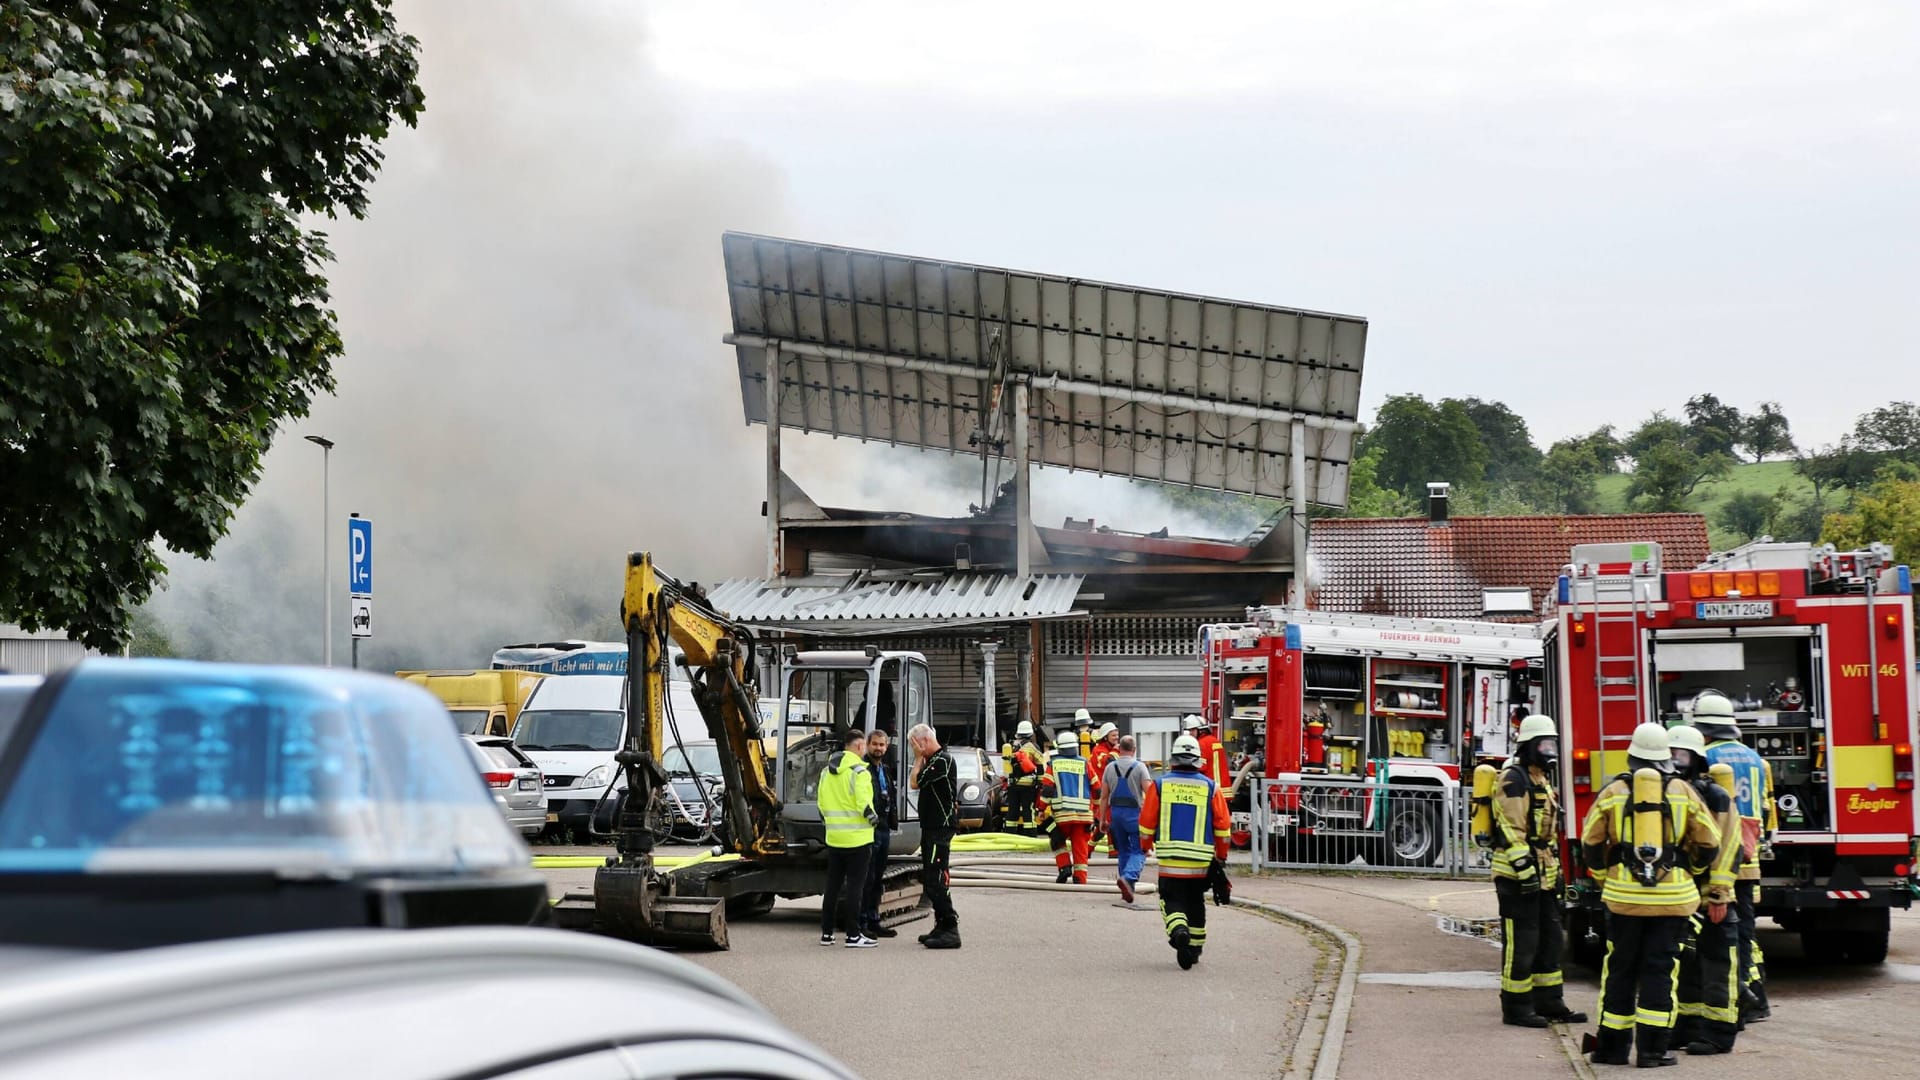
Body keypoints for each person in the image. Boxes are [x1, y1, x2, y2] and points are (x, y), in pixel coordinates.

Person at [1578, 723, 1720, 1067]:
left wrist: (1605, 877)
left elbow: (1590, 843)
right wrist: (1688, 870)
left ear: (1631, 756)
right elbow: (1710, 842)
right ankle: (1653, 1051)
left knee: (1620, 969)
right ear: (1665, 758)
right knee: (1660, 971)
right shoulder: (1683, 791)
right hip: (1673, 900)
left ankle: (1611, 1049)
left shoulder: (1613, 792)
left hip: (1624, 897)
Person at [1490, 714, 1587, 1028]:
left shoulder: (1540, 778)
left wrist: (1553, 875)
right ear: (1529, 747)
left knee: (1550, 940)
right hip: (1516, 876)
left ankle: (1550, 1003)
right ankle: (1516, 1007)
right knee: (1522, 941)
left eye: (1551, 743)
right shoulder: (1514, 778)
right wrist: (1524, 868)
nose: (1549, 750)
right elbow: (1510, 827)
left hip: (1541, 873)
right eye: (1543, 744)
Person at [1694, 691, 1775, 1024]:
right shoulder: (1758, 760)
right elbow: (1767, 810)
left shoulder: (1705, 760)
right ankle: (1756, 998)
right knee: (1745, 933)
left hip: (1721, 859)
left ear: (1703, 728)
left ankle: (1735, 997)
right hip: (1749, 859)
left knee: (1717, 935)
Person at [1668, 723, 1742, 1056]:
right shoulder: (1667, 793)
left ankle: (1719, 1033)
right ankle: (1688, 1027)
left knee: (1717, 965)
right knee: (1686, 963)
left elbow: (1729, 846)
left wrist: (1719, 894)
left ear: (1697, 759)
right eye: (1671, 754)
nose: (1677, 761)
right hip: (1681, 895)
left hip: (1711, 896)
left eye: (1683, 755)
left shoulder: (1715, 796)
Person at [1141, 734, 1231, 969]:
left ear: (1173, 760)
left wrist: (1145, 846)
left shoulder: (1160, 784)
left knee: (1171, 899)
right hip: (1200, 863)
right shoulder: (1211, 787)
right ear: (1197, 761)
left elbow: (1146, 822)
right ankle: (1194, 949)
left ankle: (1179, 930)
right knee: (1195, 903)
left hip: (1170, 860)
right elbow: (1223, 827)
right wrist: (1221, 856)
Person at [817, 728, 880, 949]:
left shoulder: (827, 772)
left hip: (834, 838)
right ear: (860, 746)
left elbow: (822, 804)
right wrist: (874, 819)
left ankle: (826, 933)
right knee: (855, 887)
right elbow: (864, 804)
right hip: (858, 840)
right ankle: (853, 935)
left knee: (832, 886)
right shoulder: (860, 772)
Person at [907, 723, 960, 949]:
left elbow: (914, 781)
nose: (914, 751)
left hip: (941, 826)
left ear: (924, 741)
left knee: (936, 878)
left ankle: (950, 927)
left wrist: (918, 759)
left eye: (915, 746)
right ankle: (940, 924)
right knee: (930, 876)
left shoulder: (942, 760)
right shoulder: (934, 761)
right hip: (931, 826)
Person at [1098, 735, 1150, 903]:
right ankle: (1128, 878)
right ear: (1134, 750)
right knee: (1139, 850)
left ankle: (1126, 888)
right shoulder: (1140, 767)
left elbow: (1104, 796)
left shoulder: (1109, 768)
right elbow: (1149, 794)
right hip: (1135, 815)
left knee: (1123, 850)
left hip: (1116, 815)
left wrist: (1102, 820)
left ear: (1119, 749)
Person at [858, 728, 899, 940]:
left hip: (884, 828)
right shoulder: (862, 769)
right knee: (868, 877)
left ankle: (874, 920)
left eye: (882, 745)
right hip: (869, 829)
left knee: (878, 878)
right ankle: (862, 922)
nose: (879, 748)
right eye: (875, 744)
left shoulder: (885, 769)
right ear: (867, 745)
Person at [1045, 729, 1094, 884]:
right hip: (1084, 816)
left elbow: (1047, 789)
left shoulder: (1053, 764)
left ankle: (1064, 866)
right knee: (1080, 847)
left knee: (1056, 840)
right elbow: (1097, 789)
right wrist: (1098, 812)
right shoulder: (1085, 763)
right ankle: (1080, 878)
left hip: (1062, 816)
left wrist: (1040, 808)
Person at [1007, 720, 1045, 835]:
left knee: (1012, 810)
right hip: (1028, 786)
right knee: (1028, 810)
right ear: (1030, 734)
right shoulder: (1033, 747)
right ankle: (1030, 834)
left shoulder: (1010, 746)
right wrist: (1040, 782)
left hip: (1013, 784)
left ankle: (1010, 835)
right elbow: (1040, 765)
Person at [1184, 715, 1229, 789]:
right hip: (1222, 787)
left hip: (1211, 787)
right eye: (1189, 730)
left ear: (1200, 730)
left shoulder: (1201, 743)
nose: (1190, 733)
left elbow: (1201, 767)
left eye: (1192, 730)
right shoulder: (1213, 740)